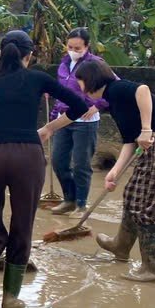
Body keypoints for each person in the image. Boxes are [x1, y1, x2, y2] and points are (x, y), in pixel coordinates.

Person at [0, 30, 89, 308]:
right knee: (22, 222)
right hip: (27, 155)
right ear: (29, 55)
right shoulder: (38, 79)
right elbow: (81, 105)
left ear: (0, 52)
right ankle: (11, 299)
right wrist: (49, 129)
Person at [75, 58, 155, 282]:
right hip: (151, 146)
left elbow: (143, 90)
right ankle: (120, 247)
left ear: (91, 80)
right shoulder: (112, 101)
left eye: (80, 82)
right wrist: (115, 171)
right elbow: (129, 141)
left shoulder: (117, 88)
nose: (80, 88)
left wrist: (146, 129)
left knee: (149, 208)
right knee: (132, 195)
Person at [46, 28, 109, 216]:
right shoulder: (64, 63)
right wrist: (54, 108)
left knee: (81, 164)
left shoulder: (96, 64)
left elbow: (113, 85)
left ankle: (81, 204)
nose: (73, 50)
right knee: (58, 161)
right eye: (70, 46)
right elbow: (63, 89)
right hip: (63, 119)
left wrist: (97, 106)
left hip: (85, 121)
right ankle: (69, 199)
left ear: (87, 46)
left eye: (77, 47)